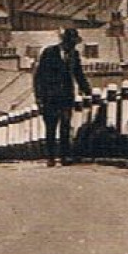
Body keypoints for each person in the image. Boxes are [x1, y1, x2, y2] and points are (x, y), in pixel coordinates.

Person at [32, 26, 92, 166]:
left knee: (65, 126)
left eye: (74, 44)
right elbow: (39, 77)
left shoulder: (74, 55)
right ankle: (51, 157)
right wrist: (39, 98)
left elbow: (78, 74)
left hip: (66, 97)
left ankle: (64, 157)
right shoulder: (49, 52)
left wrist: (87, 90)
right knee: (51, 128)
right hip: (50, 98)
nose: (73, 46)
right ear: (65, 42)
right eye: (71, 43)